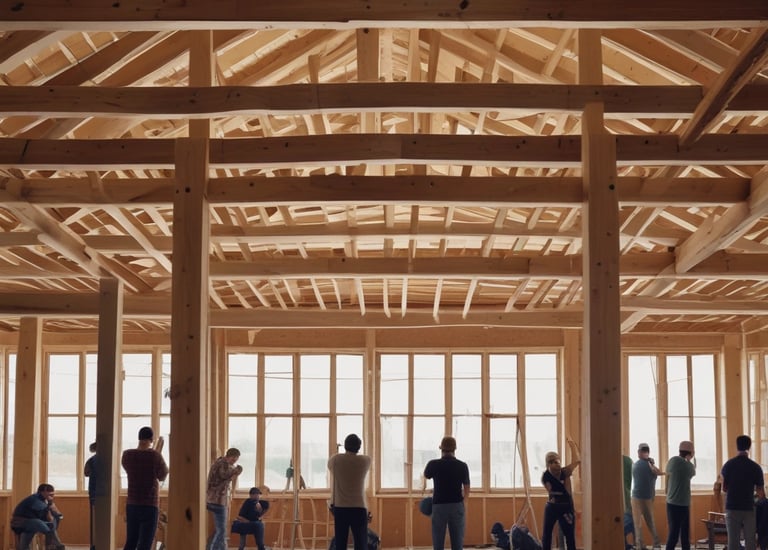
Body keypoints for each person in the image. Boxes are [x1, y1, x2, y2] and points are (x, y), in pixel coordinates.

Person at [121, 426, 169, 550]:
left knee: (131, 542)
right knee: (145, 544)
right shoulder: (155, 456)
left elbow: (128, 468)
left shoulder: (127, 455)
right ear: (151, 440)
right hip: (150, 505)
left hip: (132, 504)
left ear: (139, 438)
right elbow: (163, 475)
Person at [423, 435, 471, 550]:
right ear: (454, 449)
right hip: (456, 505)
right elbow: (467, 488)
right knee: (457, 543)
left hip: (439, 506)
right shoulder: (462, 466)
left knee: (438, 542)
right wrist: (464, 502)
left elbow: (425, 476)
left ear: (441, 449)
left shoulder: (433, 464)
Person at [328, 433, 372, 550]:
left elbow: (330, 463)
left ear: (345, 446)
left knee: (341, 543)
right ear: (359, 447)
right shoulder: (365, 461)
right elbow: (366, 458)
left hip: (341, 508)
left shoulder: (336, 459)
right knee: (361, 543)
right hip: (359, 507)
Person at [721, 435, 765, 550]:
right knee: (750, 542)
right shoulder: (755, 467)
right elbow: (760, 492)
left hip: (732, 507)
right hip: (748, 508)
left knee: (733, 542)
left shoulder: (728, 465)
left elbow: (724, 488)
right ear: (749, 447)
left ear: (737, 446)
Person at [541, 437, 580, 550]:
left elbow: (576, 461)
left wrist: (572, 446)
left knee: (568, 536)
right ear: (548, 464)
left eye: (556, 461)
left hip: (563, 507)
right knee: (549, 535)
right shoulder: (549, 475)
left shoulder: (562, 472)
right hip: (556, 507)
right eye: (552, 462)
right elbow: (553, 491)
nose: (556, 465)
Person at [206, 447, 243, 550]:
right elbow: (224, 475)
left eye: (236, 460)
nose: (234, 462)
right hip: (217, 500)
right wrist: (237, 470)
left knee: (219, 531)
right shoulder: (223, 464)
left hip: (211, 499)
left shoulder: (219, 462)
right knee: (222, 530)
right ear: (229, 456)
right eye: (233, 459)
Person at [10, 483, 65, 550]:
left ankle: (54, 545)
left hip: (29, 523)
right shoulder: (35, 500)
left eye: (53, 495)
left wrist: (53, 507)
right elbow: (49, 518)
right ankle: (56, 545)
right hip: (20, 522)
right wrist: (50, 505)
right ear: (43, 492)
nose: (52, 496)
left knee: (24, 545)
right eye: (50, 494)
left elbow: (58, 515)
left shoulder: (42, 500)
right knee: (48, 526)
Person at [632, 443, 664, 550]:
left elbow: (658, 473)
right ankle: (649, 545)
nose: (638, 453)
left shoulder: (647, 465)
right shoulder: (642, 464)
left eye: (639, 451)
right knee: (646, 523)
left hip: (641, 498)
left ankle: (646, 545)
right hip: (642, 497)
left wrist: (651, 463)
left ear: (643, 452)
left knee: (640, 524)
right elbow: (658, 473)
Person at [665, 440, 696, 550]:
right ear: (690, 453)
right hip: (682, 504)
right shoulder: (688, 466)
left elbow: (667, 473)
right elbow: (693, 473)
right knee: (684, 534)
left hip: (670, 503)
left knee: (673, 533)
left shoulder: (672, 460)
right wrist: (689, 461)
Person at [84, 440, 103, 550]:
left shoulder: (92, 460)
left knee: (95, 521)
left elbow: (86, 473)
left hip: (94, 494)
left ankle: (94, 545)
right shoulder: (106, 460)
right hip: (101, 494)